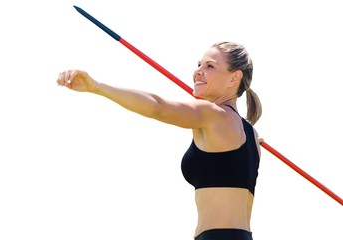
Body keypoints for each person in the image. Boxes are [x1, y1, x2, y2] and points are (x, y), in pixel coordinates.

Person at [57, 41, 262, 240]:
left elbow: (158, 107)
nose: (198, 71)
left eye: (210, 66)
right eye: (199, 64)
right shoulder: (251, 136)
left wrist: (97, 87)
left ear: (234, 78)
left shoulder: (212, 114)